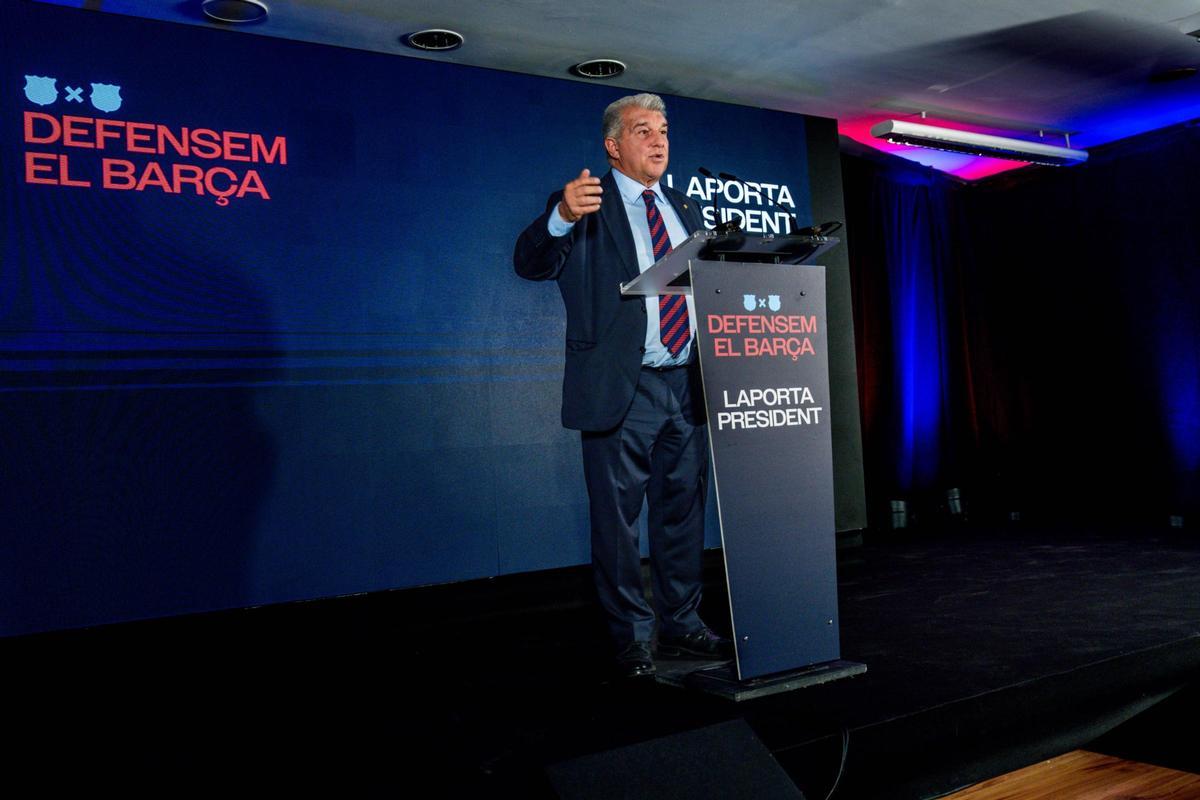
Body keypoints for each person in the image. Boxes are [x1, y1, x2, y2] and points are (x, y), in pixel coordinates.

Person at [513, 93, 732, 678]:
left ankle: (682, 624)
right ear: (613, 146)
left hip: (685, 382)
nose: (659, 141)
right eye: (643, 131)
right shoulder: (585, 204)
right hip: (622, 388)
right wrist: (560, 217)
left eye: (663, 130)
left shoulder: (683, 205)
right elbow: (531, 262)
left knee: (682, 514)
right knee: (618, 523)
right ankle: (632, 637)